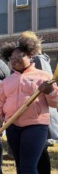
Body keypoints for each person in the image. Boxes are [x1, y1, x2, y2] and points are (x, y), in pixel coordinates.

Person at [0, 41, 58, 174]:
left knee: (28, 168)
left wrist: (50, 91)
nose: (15, 61)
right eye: (12, 59)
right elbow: (0, 105)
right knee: (20, 167)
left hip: (35, 126)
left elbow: (55, 103)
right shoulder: (7, 81)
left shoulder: (43, 76)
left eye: (19, 56)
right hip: (12, 126)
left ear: (30, 56)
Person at [19, 31, 58, 174]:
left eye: (21, 41)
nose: (19, 44)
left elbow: (47, 85)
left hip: (40, 115)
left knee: (40, 152)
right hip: (31, 115)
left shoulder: (39, 60)